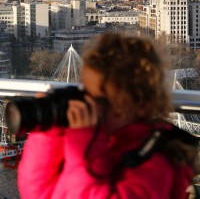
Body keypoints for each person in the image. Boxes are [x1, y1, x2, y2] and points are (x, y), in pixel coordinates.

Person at [18, 32, 199, 199]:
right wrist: (49, 133)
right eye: (86, 94)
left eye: (103, 101)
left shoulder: (154, 163)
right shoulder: (99, 140)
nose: (90, 105)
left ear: (141, 104)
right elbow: (37, 192)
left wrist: (84, 148)